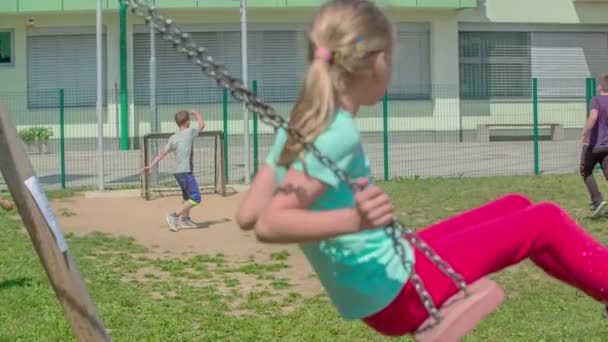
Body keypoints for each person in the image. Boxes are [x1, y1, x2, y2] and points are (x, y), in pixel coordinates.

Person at [234, 0, 608, 336]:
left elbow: (248, 213)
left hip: (390, 279)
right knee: (543, 220)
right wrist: (354, 220)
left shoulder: (303, 124)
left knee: (516, 204)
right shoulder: (336, 132)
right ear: (377, 61)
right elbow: (270, 222)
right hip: (399, 295)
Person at [143, 109, 205, 231]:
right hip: (185, 172)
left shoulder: (173, 137)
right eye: (190, 120)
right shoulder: (190, 132)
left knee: (187, 197)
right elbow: (202, 125)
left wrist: (150, 165)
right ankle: (173, 216)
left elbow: (162, 153)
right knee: (196, 198)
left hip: (178, 172)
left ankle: (186, 220)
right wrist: (197, 113)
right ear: (187, 122)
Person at [580, 75, 608, 217]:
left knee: (586, 171)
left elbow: (593, 116)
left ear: (601, 87)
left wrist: (585, 132)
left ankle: (597, 200)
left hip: (593, 145)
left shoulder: (596, 100)